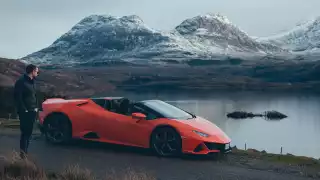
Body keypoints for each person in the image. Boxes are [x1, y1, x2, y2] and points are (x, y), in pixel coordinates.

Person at [13, 64, 39, 159]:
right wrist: (24, 110)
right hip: (25, 112)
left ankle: (25, 153)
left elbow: (34, 96)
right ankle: (23, 154)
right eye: (36, 71)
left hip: (32, 111)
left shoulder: (32, 82)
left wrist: (36, 107)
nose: (37, 73)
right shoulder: (21, 82)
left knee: (29, 133)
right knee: (24, 133)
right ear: (32, 71)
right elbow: (18, 98)